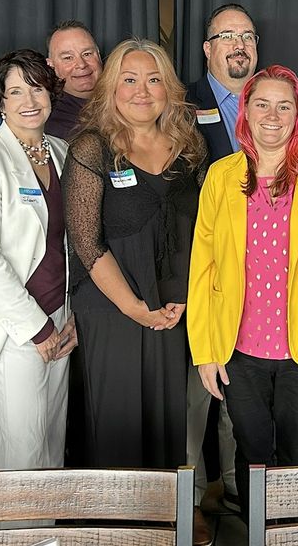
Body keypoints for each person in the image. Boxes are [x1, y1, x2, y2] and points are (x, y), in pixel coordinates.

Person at [187, 65, 298, 509]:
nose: (272, 115)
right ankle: (258, 539)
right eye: (262, 104)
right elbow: (203, 269)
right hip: (239, 346)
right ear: (245, 112)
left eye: (284, 106)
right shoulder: (222, 176)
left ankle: (294, 536)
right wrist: (205, 351)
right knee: (251, 451)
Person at [63, 39, 206, 468]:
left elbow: (201, 231)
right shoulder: (91, 148)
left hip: (171, 307)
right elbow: (86, 242)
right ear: (111, 87)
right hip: (112, 306)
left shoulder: (190, 148)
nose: (142, 91)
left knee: (165, 424)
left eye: (154, 80)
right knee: (118, 426)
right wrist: (133, 307)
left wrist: (180, 297)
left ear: (168, 88)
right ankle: (116, 512)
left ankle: (162, 510)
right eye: (129, 80)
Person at [0, 49, 78, 470]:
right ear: (1, 101)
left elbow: (71, 243)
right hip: (17, 327)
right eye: (16, 92)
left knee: (54, 442)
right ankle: (16, 518)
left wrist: (70, 317)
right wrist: (36, 329)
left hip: (61, 316)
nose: (29, 100)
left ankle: (51, 518)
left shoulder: (62, 152)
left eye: (38, 88)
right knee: (23, 451)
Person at [184, 3, 257, 545]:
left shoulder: (274, 100)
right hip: (203, 271)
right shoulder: (181, 104)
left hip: (263, 274)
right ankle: (187, 500)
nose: (239, 45)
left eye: (247, 36)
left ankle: (237, 486)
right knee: (196, 394)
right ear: (207, 49)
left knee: (245, 391)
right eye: (227, 36)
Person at [45, 20, 102, 140]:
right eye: (68, 58)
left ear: (99, 55)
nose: (81, 64)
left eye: (87, 54)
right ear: (51, 66)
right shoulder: (54, 123)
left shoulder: (125, 97)